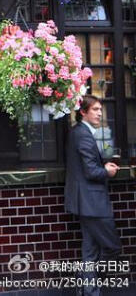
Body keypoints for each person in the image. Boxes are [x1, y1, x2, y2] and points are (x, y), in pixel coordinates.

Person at [65, 95, 121, 296]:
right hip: (93, 203)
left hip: (85, 202)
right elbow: (91, 171)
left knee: (90, 251)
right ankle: (87, 283)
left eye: (100, 109)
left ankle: (89, 290)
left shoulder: (77, 132)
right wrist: (107, 171)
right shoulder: (83, 135)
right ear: (83, 112)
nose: (99, 113)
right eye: (95, 109)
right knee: (113, 247)